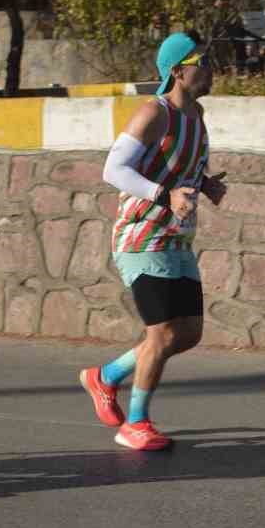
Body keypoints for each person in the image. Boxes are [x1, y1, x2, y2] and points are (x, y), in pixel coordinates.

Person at [78, 30, 227, 451]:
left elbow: (178, 171)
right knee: (161, 335)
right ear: (179, 71)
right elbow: (114, 170)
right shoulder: (152, 113)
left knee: (189, 333)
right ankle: (136, 424)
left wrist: (205, 184)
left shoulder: (196, 116)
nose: (211, 69)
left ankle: (104, 376)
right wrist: (165, 195)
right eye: (204, 62)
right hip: (141, 238)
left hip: (177, 239)